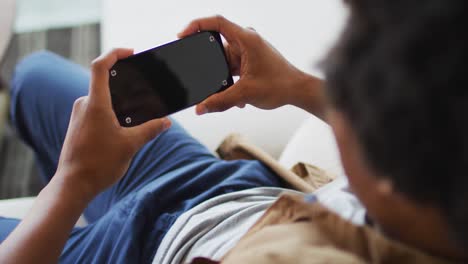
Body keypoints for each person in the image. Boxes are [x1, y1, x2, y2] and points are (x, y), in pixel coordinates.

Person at [1, 0, 467, 262]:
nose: (334, 105)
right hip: (222, 189)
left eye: (345, 103)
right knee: (34, 77)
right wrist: (294, 86)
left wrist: (75, 180)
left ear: (386, 173)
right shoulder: (439, 190)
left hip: (141, 250)